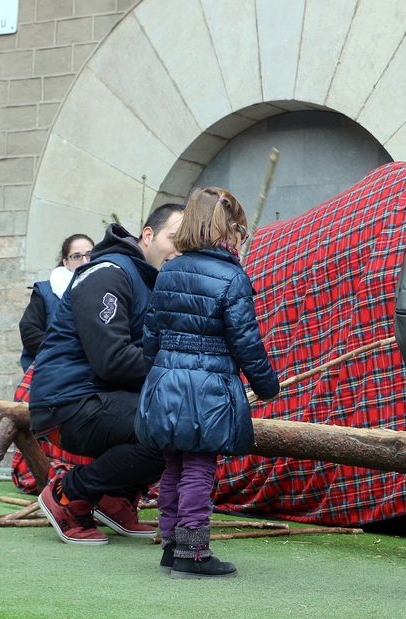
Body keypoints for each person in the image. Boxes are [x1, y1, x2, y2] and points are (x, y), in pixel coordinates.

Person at [135, 187, 280, 578]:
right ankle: (193, 553)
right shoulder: (232, 277)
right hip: (208, 389)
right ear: (227, 228)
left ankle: (171, 547)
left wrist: (158, 374)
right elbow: (246, 342)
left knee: (173, 466)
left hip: (166, 382)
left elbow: (152, 334)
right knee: (199, 466)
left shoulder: (169, 271)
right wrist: (267, 386)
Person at [31, 203, 185, 545]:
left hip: (99, 397)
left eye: (186, 242)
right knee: (171, 425)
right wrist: (178, 373)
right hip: (67, 403)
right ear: (148, 234)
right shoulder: (108, 273)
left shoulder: (150, 280)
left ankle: (113, 500)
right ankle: (68, 495)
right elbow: (112, 360)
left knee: (184, 420)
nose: (179, 249)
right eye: (174, 238)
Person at [18, 233, 94, 370]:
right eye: (76, 256)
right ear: (66, 262)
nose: (85, 261)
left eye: (89, 254)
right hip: (55, 372)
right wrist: (69, 348)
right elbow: (30, 333)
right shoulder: (45, 291)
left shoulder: (107, 289)